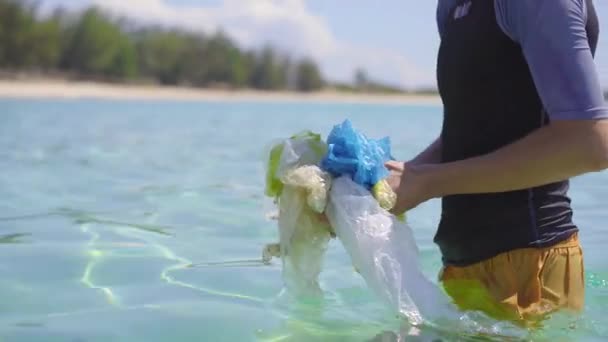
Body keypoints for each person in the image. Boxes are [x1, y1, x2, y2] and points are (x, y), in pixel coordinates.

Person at [386, 0, 608, 324]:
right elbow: (475, 131)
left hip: (531, 268)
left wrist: (430, 183)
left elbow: (589, 143)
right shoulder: (452, 6)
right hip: (460, 267)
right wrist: (391, 185)